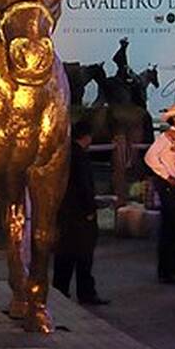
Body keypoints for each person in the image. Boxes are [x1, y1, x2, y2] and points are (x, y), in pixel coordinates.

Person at [52, 120, 105, 305]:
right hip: (80, 213)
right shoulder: (80, 157)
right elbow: (84, 185)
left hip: (65, 209)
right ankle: (86, 292)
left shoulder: (64, 154)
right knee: (83, 254)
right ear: (87, 137)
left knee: (64, 252)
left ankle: (59, 289)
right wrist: (90, 208)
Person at [143, 103, 175, 282]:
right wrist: (166, 175)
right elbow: (150, 157)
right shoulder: (166, 138)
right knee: (171, 228)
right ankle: (167, 270)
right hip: (172, 184)